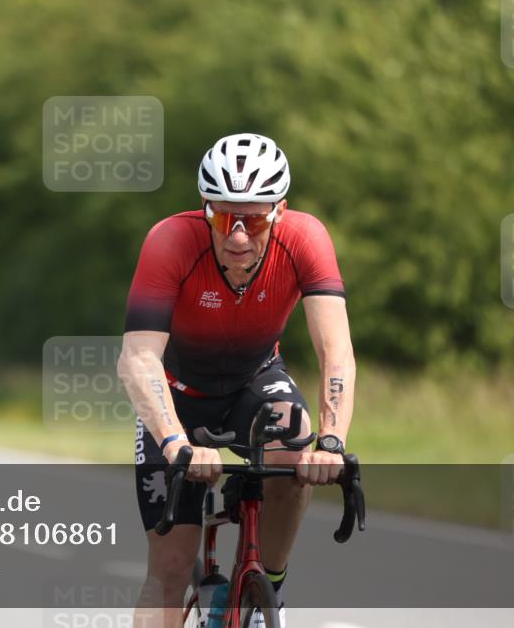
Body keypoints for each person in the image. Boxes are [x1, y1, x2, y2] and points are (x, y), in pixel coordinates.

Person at [118, 134, 356, 627]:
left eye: (254, 219)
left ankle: (266, 587)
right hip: (178, 397)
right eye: (224, 218)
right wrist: (175, 442)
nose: (238, 237)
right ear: (205, 208)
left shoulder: (306, 239)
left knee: (294, 439)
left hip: (255, 381)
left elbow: (336, 350)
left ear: (280, 211)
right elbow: (138, 359)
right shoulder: (170, 241)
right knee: (169, 570)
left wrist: (332, 442)